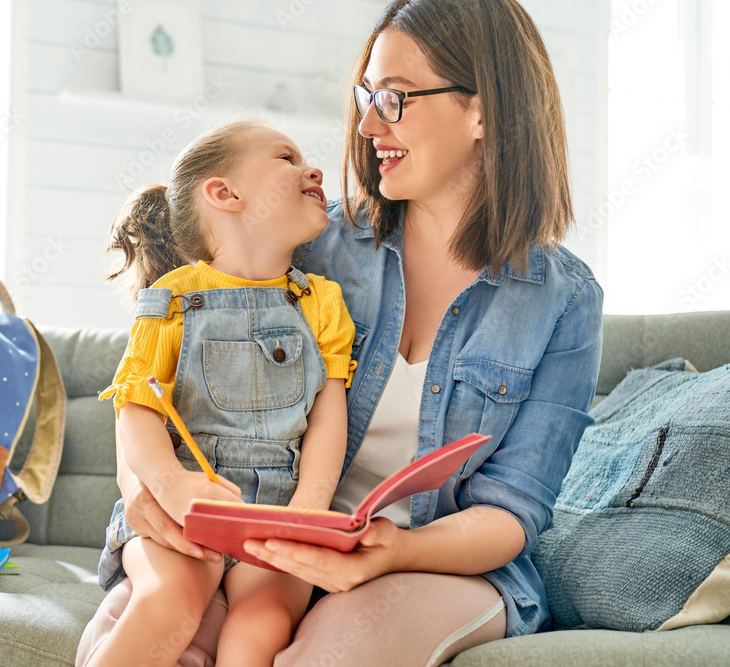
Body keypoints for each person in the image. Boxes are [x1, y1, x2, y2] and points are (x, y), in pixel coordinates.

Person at [77, 0, 604, 665]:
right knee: (142, 634)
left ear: (483, 110)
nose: (365, 123)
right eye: (366, 97)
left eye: (393, 98)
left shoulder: (564, 301)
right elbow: (154, 380)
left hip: (438, 563)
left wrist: (393, 549)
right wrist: (142, 488)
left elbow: (514, 512)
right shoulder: (313, 240)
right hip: (274, 549)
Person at [77, 119, 356, 667]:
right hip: (182, 511)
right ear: (225, 194)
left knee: (260, 629)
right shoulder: (171, 299)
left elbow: (329, 418)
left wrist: (308, 510)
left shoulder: (322, 302)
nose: (312, 169)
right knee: (170, 603)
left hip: (278, 516)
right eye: (287, 158)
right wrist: (170, 484)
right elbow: (136, 408)